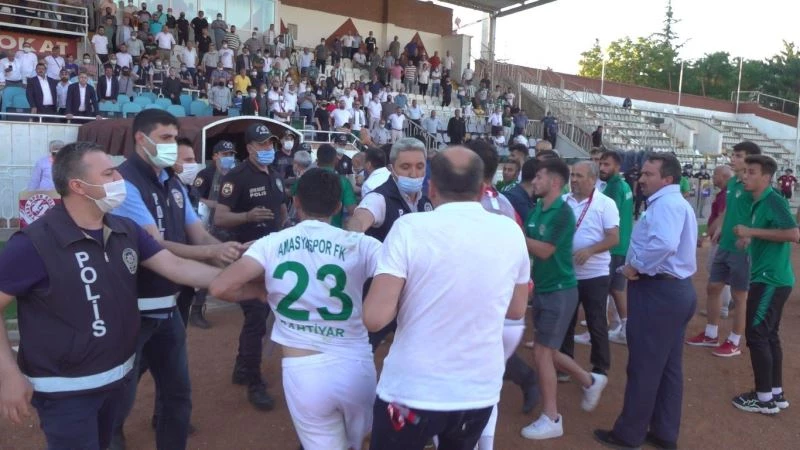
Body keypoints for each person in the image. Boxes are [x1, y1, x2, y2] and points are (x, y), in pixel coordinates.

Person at [0, 142, 256, 450]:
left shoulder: (125, 229)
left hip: (117, 379)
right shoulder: (33, 243)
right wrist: (8, 373)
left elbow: (176, 266)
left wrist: (247, 282)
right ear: (79, 186)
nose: (119, 181)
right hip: (65, 393)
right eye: (109, 174)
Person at [363, 146, 530, 450]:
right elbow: (517, 309)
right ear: (482, 189)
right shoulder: (511, 232)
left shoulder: (409, 229)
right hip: (477, 391)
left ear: (432, 187)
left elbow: (375, 318)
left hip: (412, 389)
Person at [210, 168, 381, 449]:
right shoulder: (363, 244)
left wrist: (260, 291)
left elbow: (220, 287)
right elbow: (398, 278)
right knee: (362, 443)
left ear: (296, 202)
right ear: (338, 206)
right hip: (355, 364)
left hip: (303, 368)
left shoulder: (270, 244)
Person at [110, 110, 247, 450]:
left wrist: (229, 252)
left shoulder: (172, 184)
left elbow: (198, 235)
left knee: (177, 394)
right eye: (166, 138)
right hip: (132, 310)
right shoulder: (125, 184)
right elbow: (152, 245)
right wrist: (216, 257)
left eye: (174, 137)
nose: (172, 146)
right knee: (118, 398)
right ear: (141, 140)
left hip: (167, 306)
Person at [594, 153, 697, 450]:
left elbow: (664, 244)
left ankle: (629, 434)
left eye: (649, 174)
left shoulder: (666, 204)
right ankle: (664, 433)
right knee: (668, 368)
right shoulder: (675, 203)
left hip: (658, 292)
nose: (641, 179)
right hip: (674, 291)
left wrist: (635, 266)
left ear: (667, 179)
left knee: (644, 367)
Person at [521, 158, 608, 441]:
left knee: (543, 352)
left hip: (560, 290)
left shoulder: (562, 213)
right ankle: (590, 380)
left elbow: (545, 250)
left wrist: (514, 235)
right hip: (545, 289)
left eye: (539, 178)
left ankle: (552, 417)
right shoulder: (538, 209)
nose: (533, 181)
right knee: (549, 349)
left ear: (554, 182)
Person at [213, 123, 289, 412]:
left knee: (260, 316)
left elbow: (282, 209)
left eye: (270, 144)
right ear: (249, 148)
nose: (267, 149)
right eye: (261, 145)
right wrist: (248, 215)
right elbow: (220, 218)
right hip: (247, 256)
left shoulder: (277, 175)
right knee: (257, 316)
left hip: (272, 255)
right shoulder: (236, 177)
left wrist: (282, 228)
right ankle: (254, 381)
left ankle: (242, 368)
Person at [731, 154, 798, 415]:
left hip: (771, 279)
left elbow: (793, 234)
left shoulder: (774, 200)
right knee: (769, 335)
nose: (745, 175)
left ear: (766, 177)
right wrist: (750, 240)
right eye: (744, 171)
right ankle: (775, 393)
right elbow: (771, 234)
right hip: (771, 278)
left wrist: (751, 232)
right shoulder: (759, 203)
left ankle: (763, 398)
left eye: (751, 171)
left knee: (757, 335)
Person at [686, 142, 762, 357]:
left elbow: (761, 212)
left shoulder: (754, 184)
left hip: (741, 248)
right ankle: (711, 334)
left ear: (750, 159)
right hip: (726, 244)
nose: (733, 158)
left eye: (738, 155)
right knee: (713, 287)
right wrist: (718, 227)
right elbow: (729, 209)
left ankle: (735, 341)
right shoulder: (735, 183)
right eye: (733, 155)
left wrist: (750, 235)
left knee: (739, 296)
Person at [559, 161, 619, 380]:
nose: (573, 179)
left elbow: (614, 237)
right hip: (567, 273)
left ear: (593, 180)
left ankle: (600, 368)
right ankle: (565, 365)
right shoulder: (563, 201)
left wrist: (590, 250)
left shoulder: (606, 204)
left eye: (579, 176)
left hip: (595, 273)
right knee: (566, 320)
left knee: (596, 321)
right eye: (572, 175)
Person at [598, 150, 634, 345]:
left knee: (602, 290)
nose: (602, 168)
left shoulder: (613, 187)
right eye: (601, 164)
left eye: (607, 164)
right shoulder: (624, 185)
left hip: (611, 247)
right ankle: (626, 328)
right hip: (622, 244)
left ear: (617, 167)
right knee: (617, 289)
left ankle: (598, 331)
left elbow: (607, 219)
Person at [702, 165, 733, 318]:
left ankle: (722, 307)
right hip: (721, 238)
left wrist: (708, 234)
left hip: (721, 239)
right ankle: (724, 306)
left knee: (718, 272)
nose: (713, 177)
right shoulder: (725, 193)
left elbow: (722, 217)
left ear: (724, 176)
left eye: (716, 174)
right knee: (717, 271)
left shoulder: (726, 194)